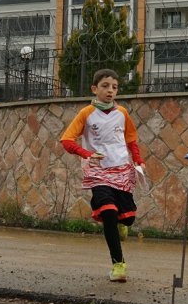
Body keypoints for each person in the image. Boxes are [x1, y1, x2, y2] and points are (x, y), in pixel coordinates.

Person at [59, 69, 145, 282]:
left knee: (129, 218)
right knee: (108, 212)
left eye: (114, 87)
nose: (110, 91)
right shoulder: (86, 113)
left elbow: (132, 140)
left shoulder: (122, 113)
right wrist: (87, 154)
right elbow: (67, 140)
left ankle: (122, 224)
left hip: (122, 170)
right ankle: (118, 266)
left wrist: (138, 161)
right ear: (94, 89)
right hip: (97, 173)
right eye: (105, 86)